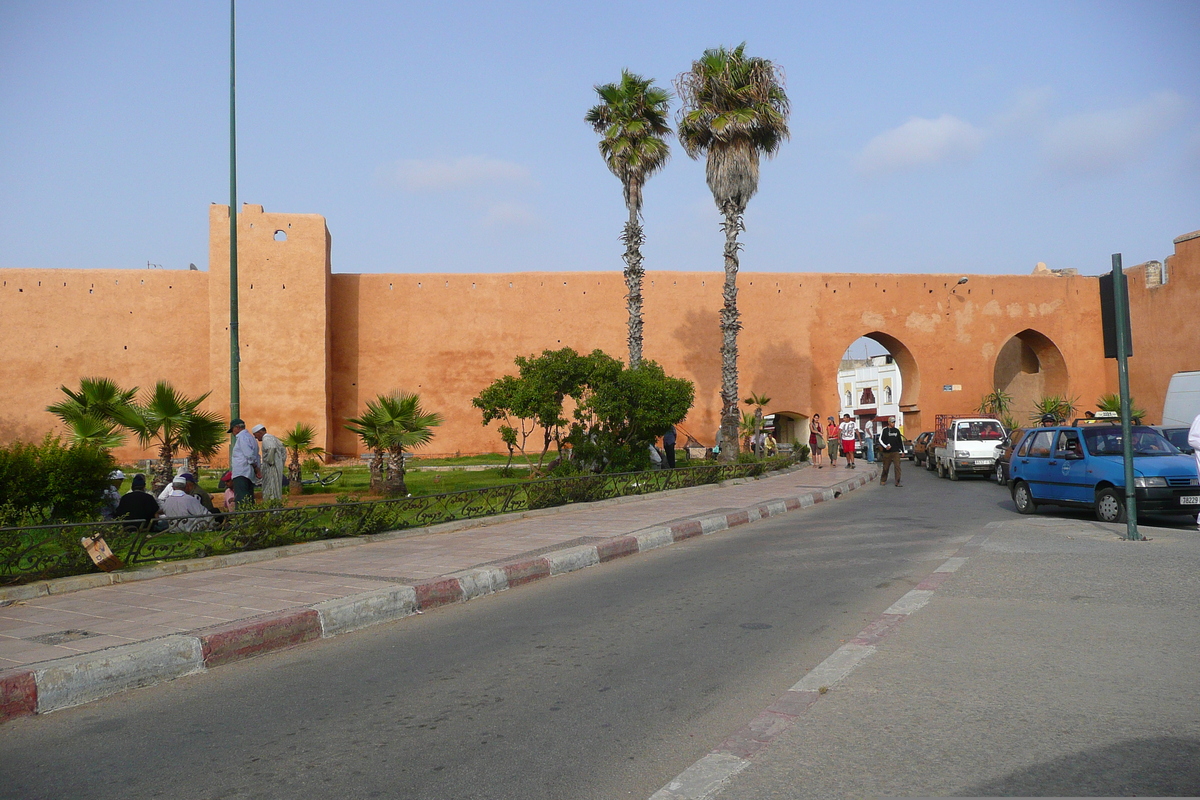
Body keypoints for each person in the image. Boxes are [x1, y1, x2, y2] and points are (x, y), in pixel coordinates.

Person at [229, 418, 261, 505]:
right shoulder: (251, 438)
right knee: (249, 498)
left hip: (241, 473)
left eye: (232, 430)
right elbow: (256, 456)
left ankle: (244, 518)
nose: (233, 433)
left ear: (237, 427)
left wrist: (255, 468)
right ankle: (251, 517)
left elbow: (249, 455)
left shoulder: (242, 437)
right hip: (249, 474)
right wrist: (257, 468)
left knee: (242, 500)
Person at [253, 424, 287, 501]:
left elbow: (271, 447)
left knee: (271, 488)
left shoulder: (267, 439)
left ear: (260, 432)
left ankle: (272, 509)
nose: (255, 437)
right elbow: (283, 451)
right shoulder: (273, 438)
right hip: (276, 466)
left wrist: (270, 461)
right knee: (276, 488)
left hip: (271, 468)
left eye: (255, 435)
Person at [878, 416, 904, 487]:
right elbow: (880, 440)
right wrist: (885, 446)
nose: (893, 423)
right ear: (889, 422)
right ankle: (883, 480)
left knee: (897, 466)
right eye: (892, 422)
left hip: (895, 451)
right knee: (886, 467)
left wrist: (902, 451)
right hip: (887, 452)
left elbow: (899, 441)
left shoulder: (896, 431)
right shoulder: (885, 430)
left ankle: (897, 481)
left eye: (894, 422)